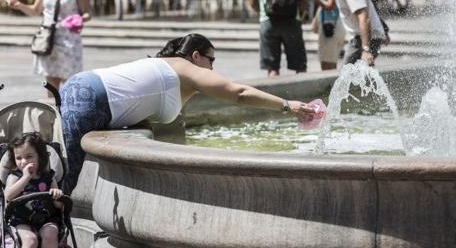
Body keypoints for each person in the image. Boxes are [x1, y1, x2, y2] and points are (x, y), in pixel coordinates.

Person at [59, 34, 318, 194]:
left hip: (81, 86)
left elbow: (135, 103)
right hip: (91, 98)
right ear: (196, 56)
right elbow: (237, 93)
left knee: (67, 174)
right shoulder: (185, 68)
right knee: (67, 183)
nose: (213, 67)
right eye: (211, 60)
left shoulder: (166, 70)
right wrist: (288, 106)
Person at [5, 0, 91, 92]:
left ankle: (67, 114)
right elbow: (35, 10)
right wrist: (19, 5)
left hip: (69, 40)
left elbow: (88, 13)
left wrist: (79, 19)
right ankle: (53, 113)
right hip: (49, 40)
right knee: (51, 86)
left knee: (70, 86)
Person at [4, 132, 63, 248]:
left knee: (51, 232)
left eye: (29, 156)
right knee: (30, 240)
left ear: (40, 157)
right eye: (19, 158)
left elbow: (59, 206)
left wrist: (57, 195)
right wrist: (25, 178)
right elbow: (8, 196)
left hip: (45, 217)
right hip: (22, 219)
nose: (24, 162)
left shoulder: (48, 177)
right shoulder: (14, 176)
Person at [307, 0, 345, 71]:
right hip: (330, 25)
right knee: (328, 64)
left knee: (328, 67)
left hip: (331, 26)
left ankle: (331, 86)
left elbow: (329, 5)